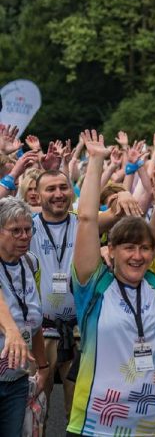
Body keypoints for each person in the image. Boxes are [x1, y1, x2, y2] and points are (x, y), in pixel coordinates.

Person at [67, 129, 155, 436]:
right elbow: (86, 220)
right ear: (111, 249)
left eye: (145, 248)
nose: (137, 256)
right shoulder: (93, 285)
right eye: (128, 247)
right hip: (97, 426)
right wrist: (96, 160)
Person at [29, 169, 79, 424]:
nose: (58, 194)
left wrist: (123, 195)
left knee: (79, 413)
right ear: (37, 196)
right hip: (40, 334)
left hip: (78, 333)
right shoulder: (27, 226)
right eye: (50, 189)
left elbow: (125, 213)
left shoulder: (85, 222)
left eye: (63, 187)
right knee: (36, 412)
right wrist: (12, 174)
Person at [0, 197, 47, 436]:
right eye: (15, 231)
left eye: (28, 230)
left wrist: (43, 366)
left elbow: (34, 320)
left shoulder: (30, 262)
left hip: (17, 379)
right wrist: (11, 330)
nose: (24, 236)